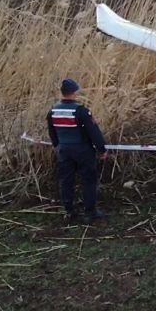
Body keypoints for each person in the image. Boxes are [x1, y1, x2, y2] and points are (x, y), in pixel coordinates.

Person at [46, 78, 108, 224]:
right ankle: (90, 211)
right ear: (74, 92)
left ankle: (69, 210)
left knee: (66, 180)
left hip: (64, 150)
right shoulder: (81, 111)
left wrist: (58, 146)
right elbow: (94, 132)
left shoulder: (53, 111)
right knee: (88, 180)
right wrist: (101, 149)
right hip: (82, 150)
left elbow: (52, 132)